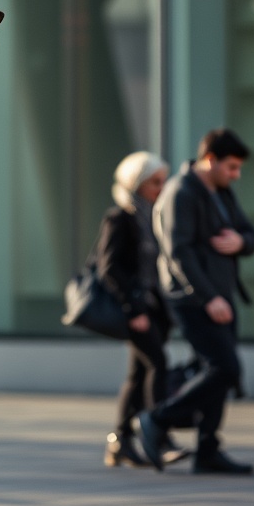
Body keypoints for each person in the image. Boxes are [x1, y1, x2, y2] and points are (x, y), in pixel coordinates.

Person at [138, 128, 254, 474]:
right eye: (231, 167)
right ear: (210, 160)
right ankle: (157, 419)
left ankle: (208, 450)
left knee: (218, 371)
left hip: (222, 296)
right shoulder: (181, 192)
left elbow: (250, 234)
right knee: (225, 368)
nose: (235, 175)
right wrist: (208, 299)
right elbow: (179, 253)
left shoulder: (222, 192)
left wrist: (241, 242)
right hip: (192, 299)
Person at [97, 151, 189, 468]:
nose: (161, 188)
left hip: (157, 309)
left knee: (137, 374)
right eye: (155, 182)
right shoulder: (120, 217)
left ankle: (120, 441)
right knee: (158, 365)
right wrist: (132, 308)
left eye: (164, 181)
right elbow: (108, 267)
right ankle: (159, 437)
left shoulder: (155, 214)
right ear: (136, 184)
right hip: (137, 310)